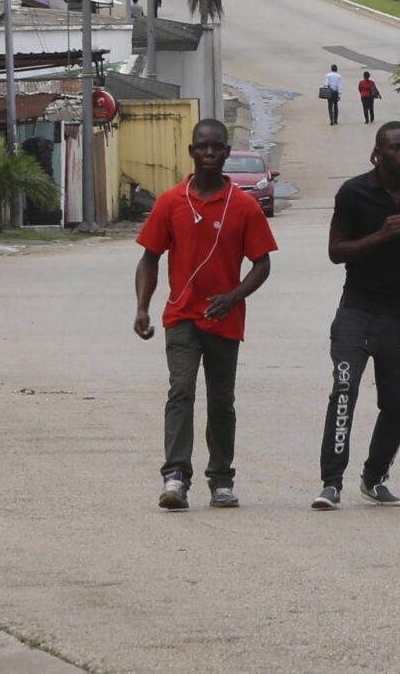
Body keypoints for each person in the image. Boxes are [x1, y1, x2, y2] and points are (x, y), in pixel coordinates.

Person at [133, 120, 277, 511]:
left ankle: (221, 479)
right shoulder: (171, 202)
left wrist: (233, 297)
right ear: (192, 152)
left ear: (227, 152)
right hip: (181, 316)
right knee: (181, 391)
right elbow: (150, 257)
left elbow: (261, 264)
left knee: (221, 401)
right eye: (203, 147)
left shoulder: (244, 206)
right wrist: (143, 307)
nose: (210, 154)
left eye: (217, 147)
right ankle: (175, 476)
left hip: (224, 319)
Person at [314, 121, 400, 509]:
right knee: (345, 391)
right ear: (377, 153)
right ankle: (331, 483)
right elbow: (336, 251)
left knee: (398, 403)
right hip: (357, 311)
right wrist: (380, 237)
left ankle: (375, 476)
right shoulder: (354, 193)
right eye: (397, 148)